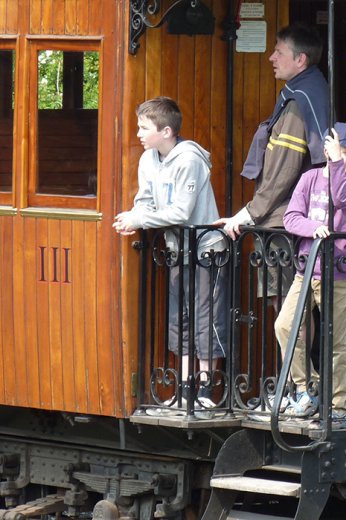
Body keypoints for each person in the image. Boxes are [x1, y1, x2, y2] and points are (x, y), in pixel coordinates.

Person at [113, 96, 228, 414]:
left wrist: (139, 220)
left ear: (165, 131)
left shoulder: (189, 159)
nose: (138, 133)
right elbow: (145, 199)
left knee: (207, 321)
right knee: (182, 320)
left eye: (143, 127)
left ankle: (206, 391)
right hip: (177, 250)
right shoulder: (148, 159)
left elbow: (181, 211)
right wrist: (135, 215)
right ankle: (185, 389)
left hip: (206, 251)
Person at [214, 23, 329, 300]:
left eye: (279, 52)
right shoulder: (309, 90)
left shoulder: (298, 103)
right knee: (293, 305)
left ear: (300, 60)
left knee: (287, 306)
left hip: (282, 220)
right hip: (291, 217)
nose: (271, 58)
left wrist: (249, 213)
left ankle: (294, 348)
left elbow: (283, 170)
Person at [273, 123, 346, 419]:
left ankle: (340, 405)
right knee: (285, 325)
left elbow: (341, 199)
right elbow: (291, 218)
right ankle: (305, 388)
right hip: (307, 268)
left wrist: (338, 163)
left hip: (338, 273)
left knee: (336, 339)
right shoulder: (310, 178)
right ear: (328, 150)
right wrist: (316, 229)